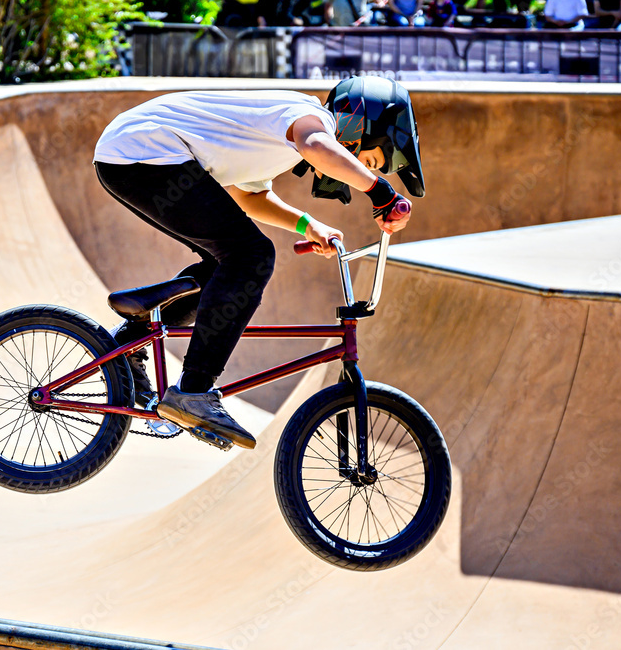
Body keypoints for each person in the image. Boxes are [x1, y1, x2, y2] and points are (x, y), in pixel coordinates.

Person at [93, 77, 424, 449]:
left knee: (229, 264)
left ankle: (135, 337)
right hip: (146, 153)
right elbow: (317, 146)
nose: (356, 169)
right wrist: (379, 190)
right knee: (252, 256)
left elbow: (251, 198)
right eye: (368, 160)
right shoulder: (309, 117)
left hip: (136, 157)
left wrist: (308, 224)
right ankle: (194, 391)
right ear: (361, 127)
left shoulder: (271, 142)